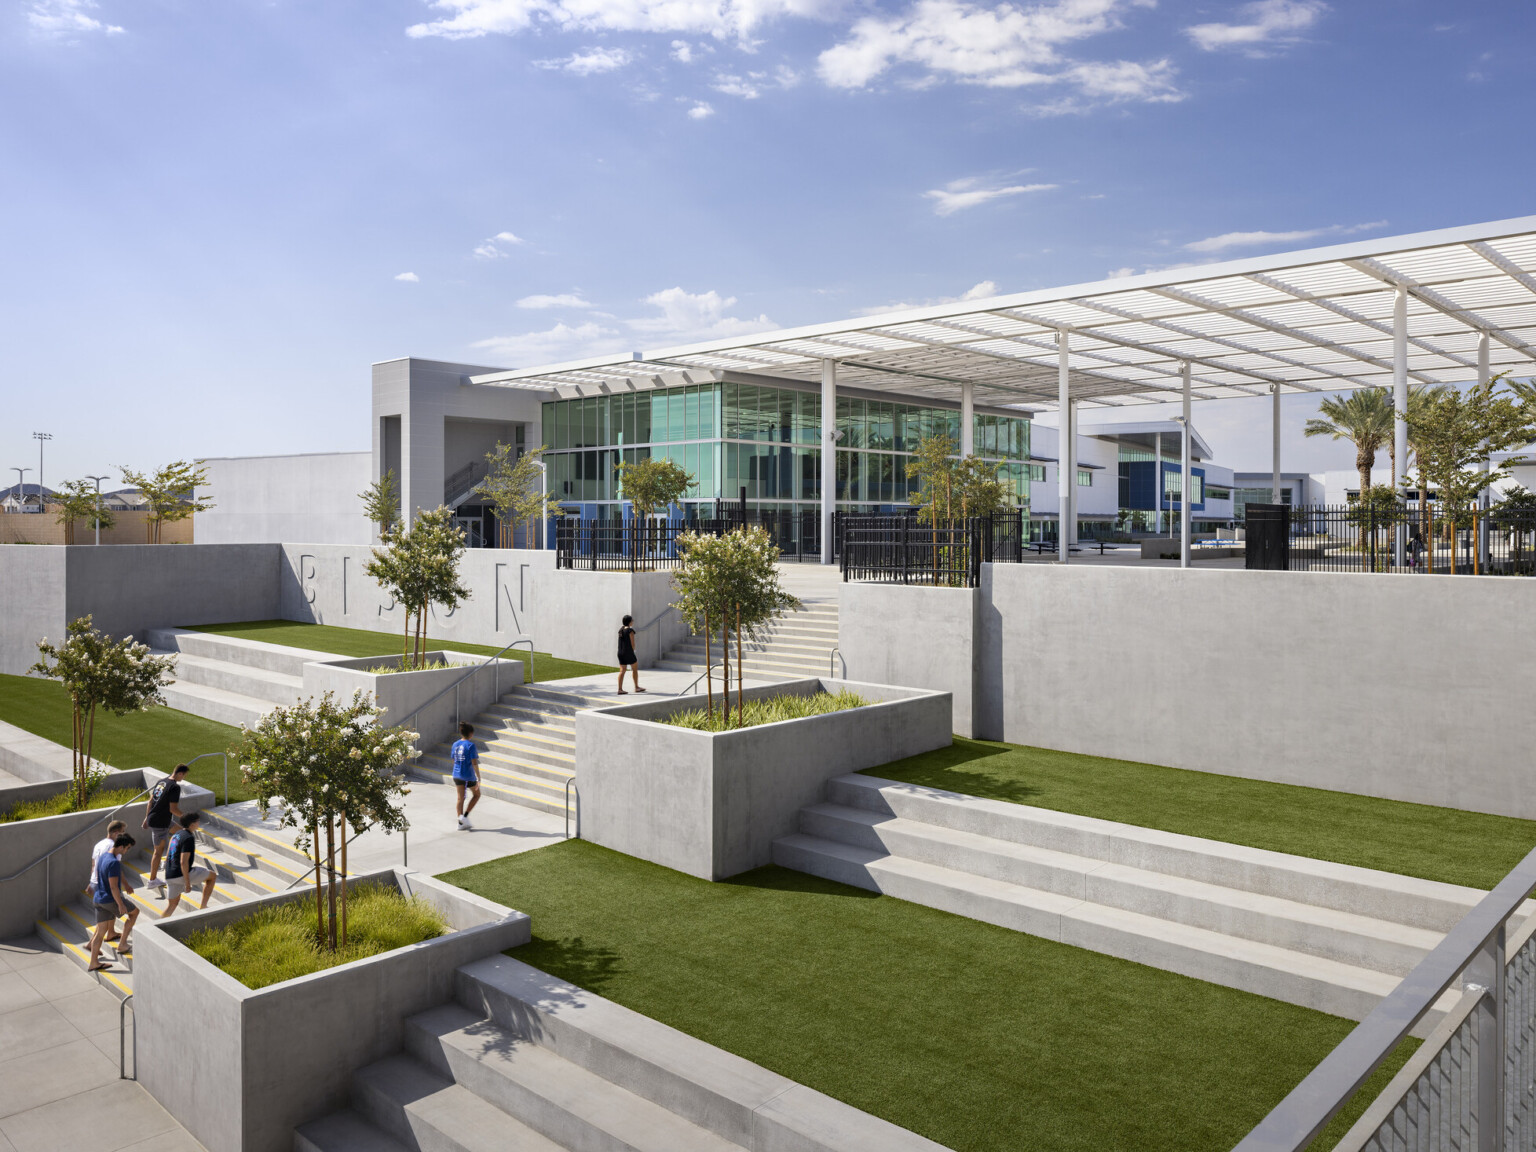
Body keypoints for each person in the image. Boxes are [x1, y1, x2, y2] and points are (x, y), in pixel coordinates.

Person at [87, 833, 138, 972]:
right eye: (126, 848)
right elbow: (114, 886)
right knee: (134, 913)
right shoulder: (114, 862)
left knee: (100, 932)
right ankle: (122, 944)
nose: (126, 851)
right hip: (110, 900)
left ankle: (94, 963)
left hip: (98, 898)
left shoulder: (103, 856)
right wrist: (121, 904)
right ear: (121, 846)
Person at [142, 764, 189, 890]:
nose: (183, 778)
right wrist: (186, 817)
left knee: (182, 834)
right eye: (184, 776)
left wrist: (147, 817)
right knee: (157, 853)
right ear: (180, 773)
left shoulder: (161, 782)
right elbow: (173, 809)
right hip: (160, 823)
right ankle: (152, 880)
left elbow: (150, 801)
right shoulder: (174, 787)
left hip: (161, 820)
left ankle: (168, 860)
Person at [161, 811, 217, 916]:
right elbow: (183, 861)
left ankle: (159, 926)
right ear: (192, 824)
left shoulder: (176, 834)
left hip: (170, 875)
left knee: (172, 905)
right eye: (197, 821)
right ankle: (203, 906)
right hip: (181, 873)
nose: (199, 823)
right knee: (212, 876)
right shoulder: (188, 838)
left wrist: (167, 870)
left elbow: (168, 854)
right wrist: (187, 883)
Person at [88, 820, 129, 943]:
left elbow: (93, 865)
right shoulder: (114, 846)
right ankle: (92, 943)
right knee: (106, 916)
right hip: (107, 883)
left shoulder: (98, 844)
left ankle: (110, 932)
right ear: (116, 833)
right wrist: (126, 885)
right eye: (122, 832)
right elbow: (116, 869)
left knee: (106, 914)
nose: (123, 834)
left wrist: (91, 882)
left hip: (95, 881)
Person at [451, 722, 481, 830]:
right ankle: (465, 817)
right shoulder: (470, 745)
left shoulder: (455, 744)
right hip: (468, 775)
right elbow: (474, 763)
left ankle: (460, 821)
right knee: (477, 794)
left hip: (456, 774)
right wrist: (478, 777)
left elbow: (453, 760)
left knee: (460, 798)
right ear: (471, 733)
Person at [616, 614, 644, 695]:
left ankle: (620, 689)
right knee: (635, 669)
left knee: (622, 670)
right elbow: (632, 643)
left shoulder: (620, 630)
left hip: (620, 653)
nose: (633, 622)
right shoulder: (630, 630)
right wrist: (633, 650)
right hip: (628, 652)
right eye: (632, 620)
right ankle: (636, 687)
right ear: (629, 622)